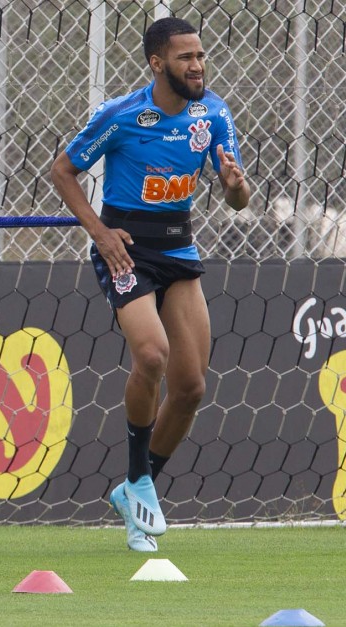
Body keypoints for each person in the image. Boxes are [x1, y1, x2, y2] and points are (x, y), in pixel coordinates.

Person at [50, 17, 250, 551]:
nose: (198, 65)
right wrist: (99, 232)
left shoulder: (214, 113)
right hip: (127, 248)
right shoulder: (120, 116)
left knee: (190, 387)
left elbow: (237, 196)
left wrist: (235, 187)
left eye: (201, 55)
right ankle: (138, 478)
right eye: (185, 57)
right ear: (158, 63)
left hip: (179, 248)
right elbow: (63, 171)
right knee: (153, 355)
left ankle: (136, 493)